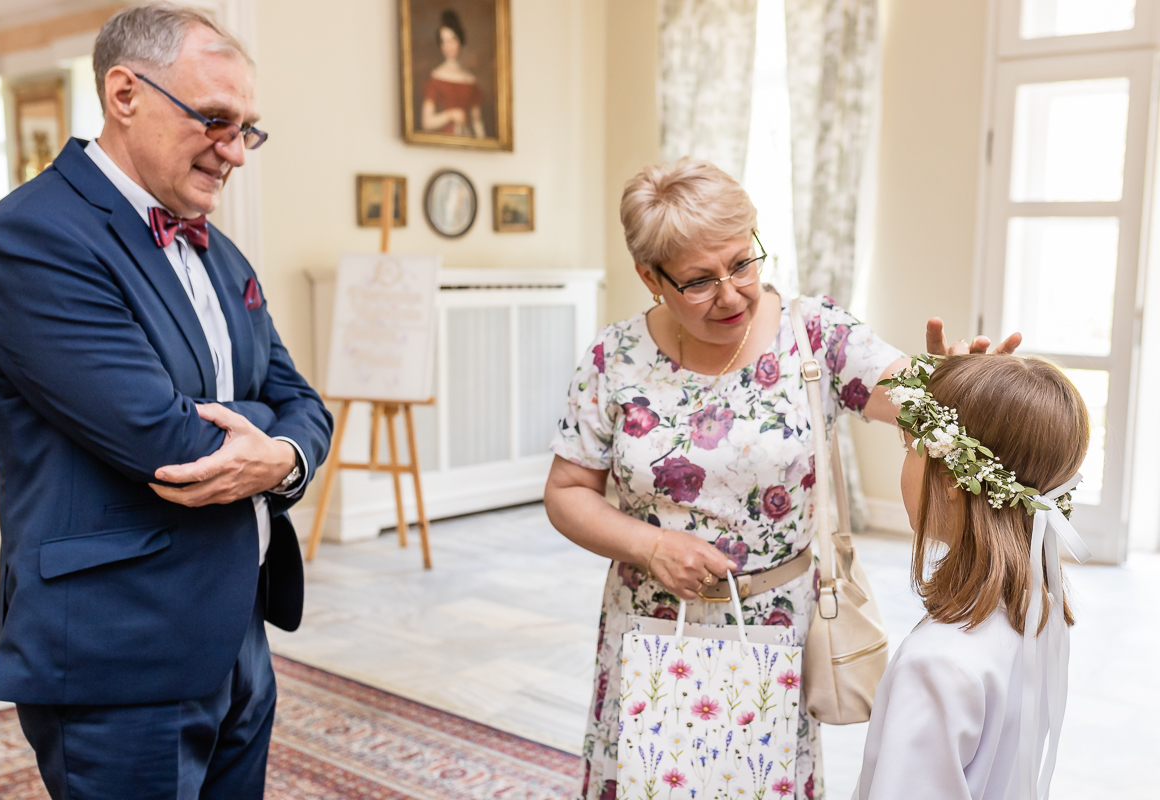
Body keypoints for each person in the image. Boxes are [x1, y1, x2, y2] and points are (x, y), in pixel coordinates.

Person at [542, 158, 1020, 800]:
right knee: (648, 779)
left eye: (742, 262)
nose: (732, 294)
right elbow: (567, 492)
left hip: (776, 625)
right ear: (649, 277)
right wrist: (650, 545)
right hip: (651, 620)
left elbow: (918, 399)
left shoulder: (813, 333)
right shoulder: (613, 358)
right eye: (699, 281)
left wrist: (961, 385)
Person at [0, 3, 332, 797]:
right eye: (215, 119)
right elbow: (167, 441)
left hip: (238, 633)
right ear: (125, 94)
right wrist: (270, 432)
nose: (234, 150)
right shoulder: (35, 234)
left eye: (247, 129)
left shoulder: (220, 249)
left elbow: (302, 400)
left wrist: (279, 453)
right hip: (120, 648)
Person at [854, 354, 1090, 800]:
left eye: (909, 449)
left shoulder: (936, 661)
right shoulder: (1039, 608)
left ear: (951, 481)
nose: (904, 462)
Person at [420, 9, 485, 138]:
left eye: (451, 40)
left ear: (460, 41)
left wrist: (482, 142)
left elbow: (477, 122)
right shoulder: (436, 78)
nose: (447, 47)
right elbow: (426, 122)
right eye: (443, 42)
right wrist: (451, 115)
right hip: (443, 141)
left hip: (466, 140)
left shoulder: (470, 80)